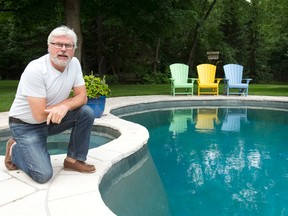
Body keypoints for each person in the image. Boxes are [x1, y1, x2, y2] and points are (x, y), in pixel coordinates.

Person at [5, 26, 96, 184]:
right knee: (43, 175)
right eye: (57, 44)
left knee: (86, 112)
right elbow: (39, 114)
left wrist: (65, 106)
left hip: (51, 120)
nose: (63, 49)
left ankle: (73, 160)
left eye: (68, 45)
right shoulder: (36, 69)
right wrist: (64, 105)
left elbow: (82, 97)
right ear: (49, 47)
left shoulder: (74, 63)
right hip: (26, 126)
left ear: (74, 49)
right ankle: (15, 149)